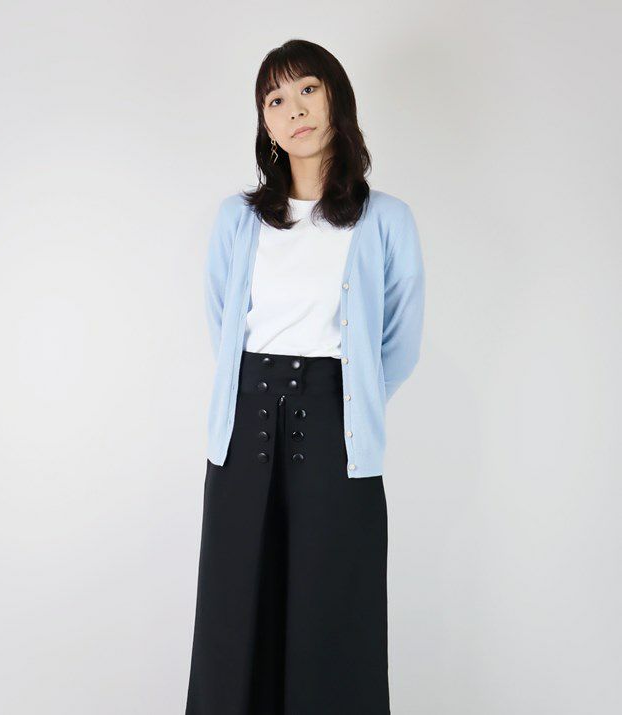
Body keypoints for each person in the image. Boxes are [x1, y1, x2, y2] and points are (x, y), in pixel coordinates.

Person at [185, 39, 426, 715]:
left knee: (333, 615)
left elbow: (400, 342)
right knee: (237, 613)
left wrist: (349, 401)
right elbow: (224, 325)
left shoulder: (387, 220)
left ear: (335, 99)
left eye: (308, 90)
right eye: (275, 99)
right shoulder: (237, 220)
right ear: (264, 124)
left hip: (336, 435)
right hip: (244, 431)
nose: (294, 110)